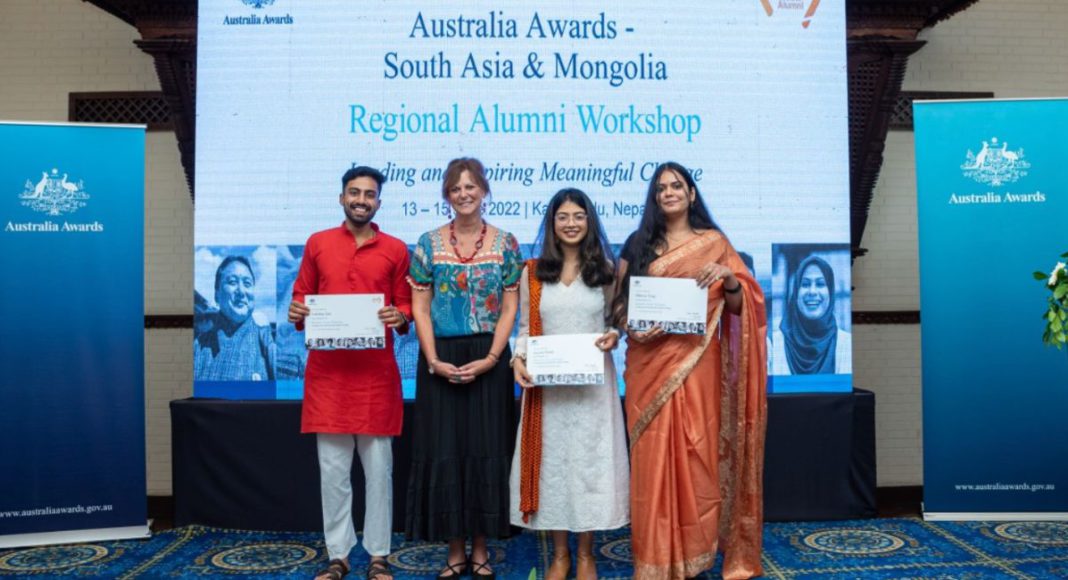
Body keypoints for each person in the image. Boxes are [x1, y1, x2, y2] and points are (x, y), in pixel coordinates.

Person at [614, 162, 768, 580]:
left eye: (676, 186)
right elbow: (619, 304)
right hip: (648, 366)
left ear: (691, 194)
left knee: (696, 452)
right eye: (661, 187)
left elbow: (742, 306)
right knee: (652, 460)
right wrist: (631, 325)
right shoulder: (639, 242)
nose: (669, 193)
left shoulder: (714, 244)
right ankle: (656, 559)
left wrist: (729, 279)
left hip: (697, 365)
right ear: (654, 197)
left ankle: (695, 554)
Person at [289, 166, 412, 580]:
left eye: (370, 194)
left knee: (380, 474)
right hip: (328, 379)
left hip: (376, 379)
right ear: (341, 197)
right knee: (333, 475)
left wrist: (400, 315)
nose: (362, 200)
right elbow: (300, 298)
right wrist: (297, 311)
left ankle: (379, 556)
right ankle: (337, 556)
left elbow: (406, 305)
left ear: (379, 201)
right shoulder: (318, 243)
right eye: (354, 192)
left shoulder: (395, 249)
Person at [405, 158, 523, 579]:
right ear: (447, 195)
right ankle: (455, 549)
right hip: (440, 357)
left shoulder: (506, 243)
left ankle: (480, 547)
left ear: (484, 191)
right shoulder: (428, 243)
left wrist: (493, 358)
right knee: (447, 451)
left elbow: (511, 304)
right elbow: (419, 305)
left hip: (489, 358)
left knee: (485, 449)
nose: (464, 194)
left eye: (471, 186)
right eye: (456, 188)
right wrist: (433, 358)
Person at [509, 188, 629, 580]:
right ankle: (560, 554)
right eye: (563, 217)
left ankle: (587, 554)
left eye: (579, 216)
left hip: (594, 391)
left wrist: (614, 336)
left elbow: (615, 323)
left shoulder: (607, 271)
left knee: (589, 467)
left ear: (590, 221)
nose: (572, 223)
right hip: (549, 392)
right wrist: (518, 360)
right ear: (552, 224)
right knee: (554, 468)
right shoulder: (532, 272)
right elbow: (525, 328)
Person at [194, 255, 275, 381]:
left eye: (247, 284)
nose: (241, 291)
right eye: (232, 282)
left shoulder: (266, 341)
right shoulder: (199, 347)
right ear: (217, 295)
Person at [770, 255, 852, 375]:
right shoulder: (774, 345)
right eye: (805, 284)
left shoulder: (845, 344)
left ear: (830, 291)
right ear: (796, 292)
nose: (812, 292)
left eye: (820, 284)